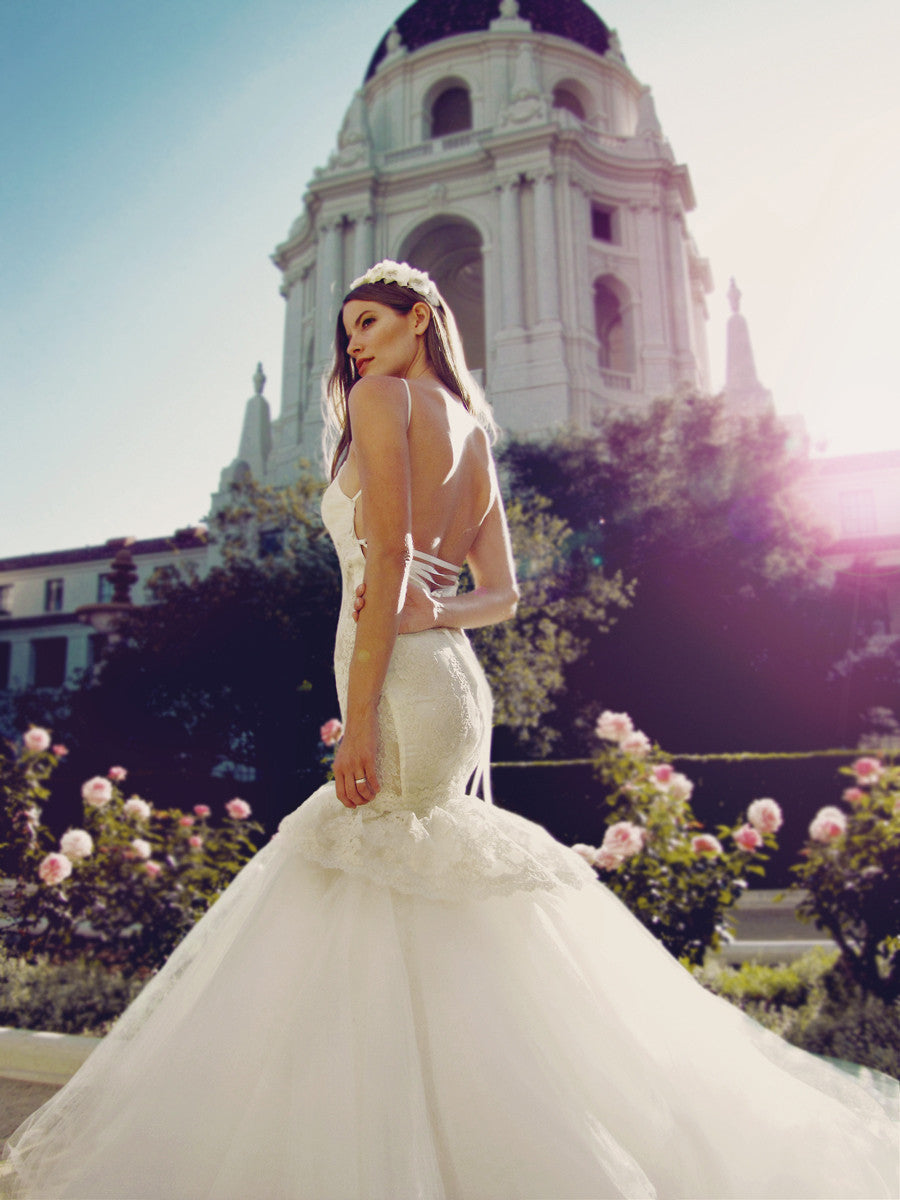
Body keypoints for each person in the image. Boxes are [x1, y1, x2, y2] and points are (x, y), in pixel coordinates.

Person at [2, 261, 897, 1199]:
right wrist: (436, 619)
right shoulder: (474, 430)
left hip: (396, 685)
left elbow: (385, 556)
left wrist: (357, 714)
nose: (353, 342)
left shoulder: (384, 400)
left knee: (369, 882)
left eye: (370, 321)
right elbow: (500, 595)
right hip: (447, 685)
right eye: (345, 327)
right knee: (419, 897)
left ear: (421, 319)